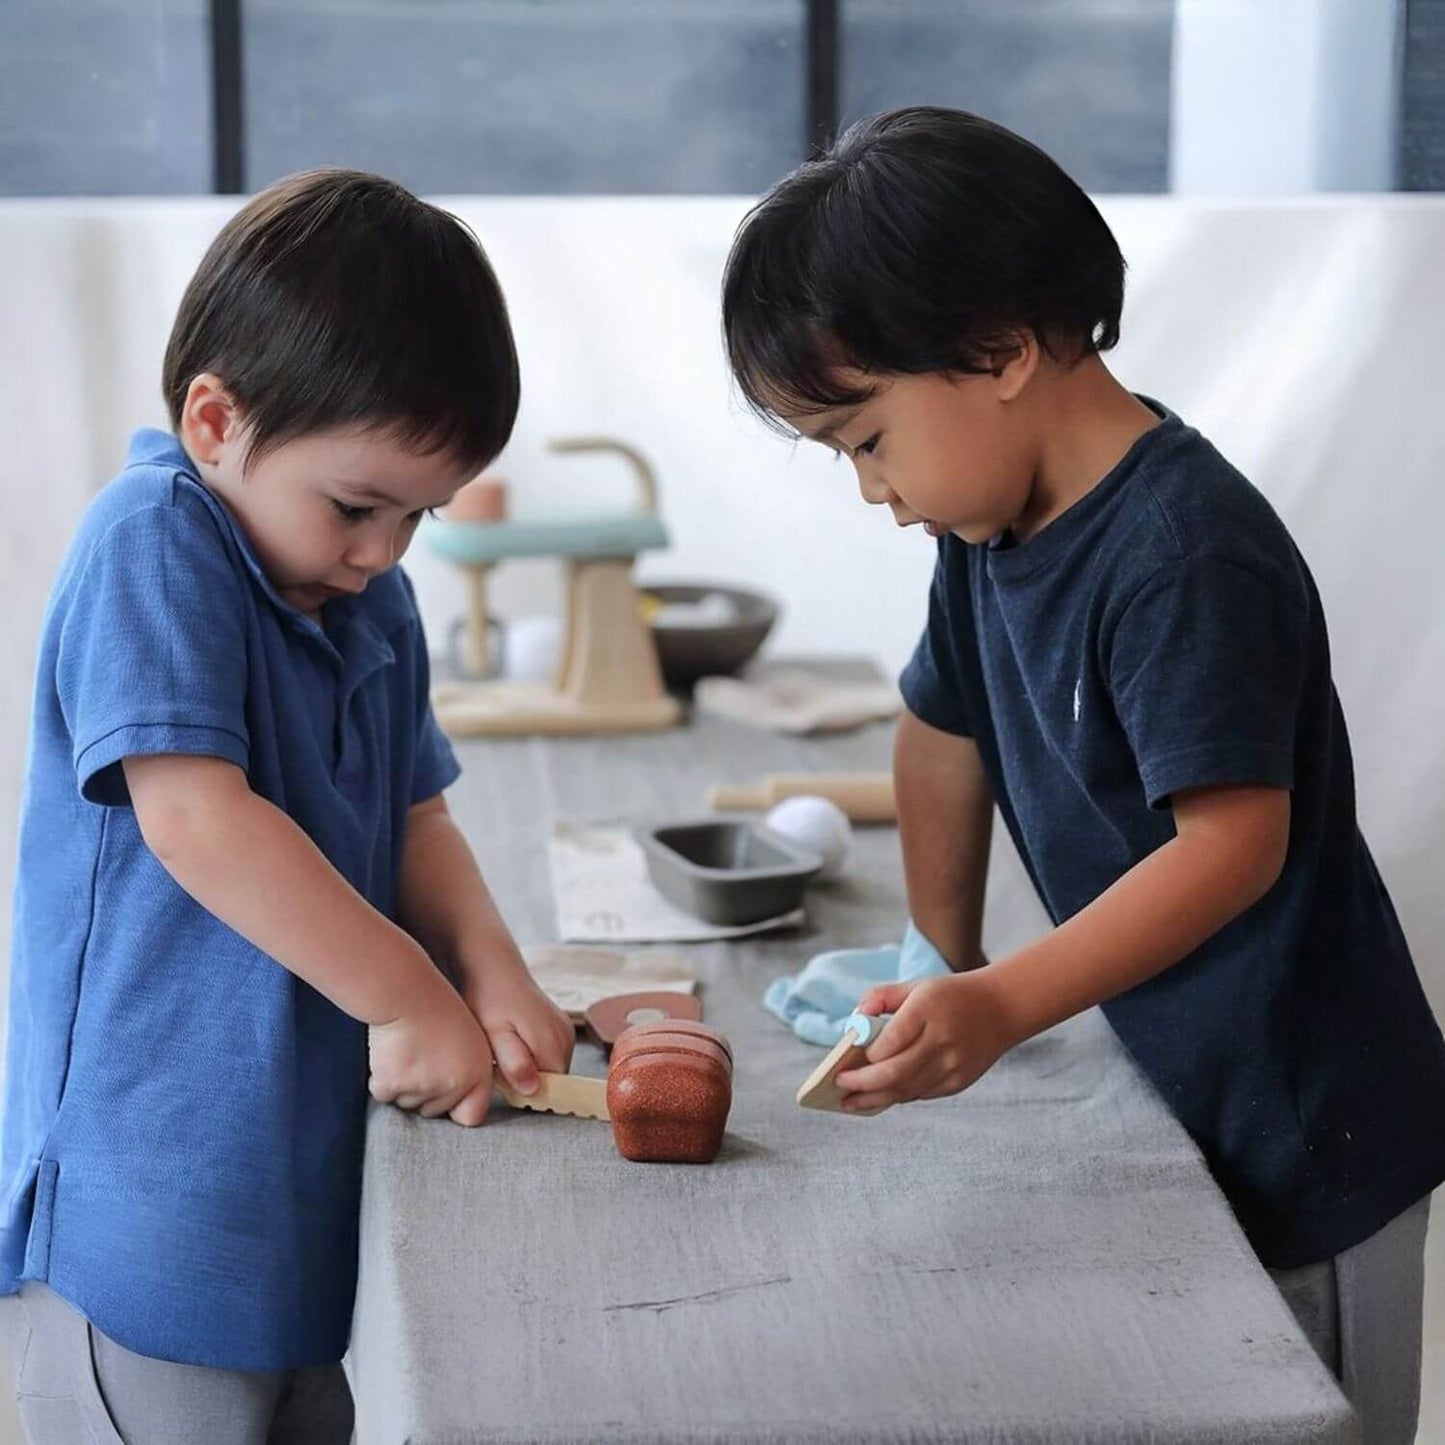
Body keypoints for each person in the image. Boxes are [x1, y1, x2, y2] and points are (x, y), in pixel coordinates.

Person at [722, 106, 1445, 1444]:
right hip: (1177, 1074)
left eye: (867, 440)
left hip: (1306, 1117)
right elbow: (943, 730)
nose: (871, 492)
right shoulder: (987, 525)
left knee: (1303, 1411)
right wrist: (936, 953)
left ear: (996, 349)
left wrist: (1003, 1001)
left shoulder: (1180, 554)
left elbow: (1231, 848)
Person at [0, 168, 574, 1443]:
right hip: (150, 1207)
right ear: (215, 422)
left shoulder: (372, 596)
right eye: (356, 505)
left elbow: (417, 813)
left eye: (418, 515)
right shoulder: (151, 539)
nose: (384, 550)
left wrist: (489, 968)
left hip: (295, 1189)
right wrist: (408, 992)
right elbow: (196, 816)